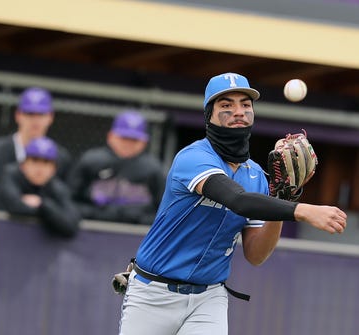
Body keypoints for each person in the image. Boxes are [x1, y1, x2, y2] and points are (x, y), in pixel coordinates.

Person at [118, 72, 347, 335]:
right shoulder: (193, 158)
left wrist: (284, 200)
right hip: (153, 293)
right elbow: (237, 200)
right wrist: (303, 210)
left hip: (208, 298)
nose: (238, 111)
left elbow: (256, 255)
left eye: (245, 104)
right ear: (210, 115)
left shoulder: (257, 176)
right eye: (226, 105)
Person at [68, 110, 165, 225]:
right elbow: (69, 201)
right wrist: (96, 213)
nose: (128, 144)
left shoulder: (153, 169)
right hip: (90, 228)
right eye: (124, 138)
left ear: (144, 142)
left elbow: (164, 211)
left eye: (134, 140)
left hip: (136, 233)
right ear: (110, 136)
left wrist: (140, 218)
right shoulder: (91, 161)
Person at [0, 87, 72, 208]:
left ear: (50, 117)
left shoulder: (61, 157)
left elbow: (65, 200)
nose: (35, 120)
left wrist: (41, 204)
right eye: (30, 113)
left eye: (41, 114)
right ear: (18, 115)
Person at [0, 136, 81, 238]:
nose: (40, 168)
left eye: (46, 162)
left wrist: (42, 204)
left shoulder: (57, 188)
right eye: (35, 160)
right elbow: (14, 206)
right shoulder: (9, 175)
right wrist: (53, 212)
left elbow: (71, 226)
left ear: (54, 169)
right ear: (23, 165)